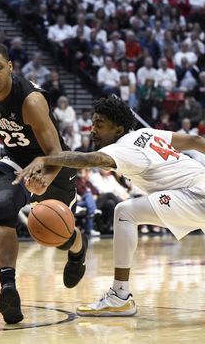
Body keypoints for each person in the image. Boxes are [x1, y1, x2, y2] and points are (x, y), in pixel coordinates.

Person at [14, 95, 205, 316]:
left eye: (100, 125)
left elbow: (87, 160)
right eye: (93, 124)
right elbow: (195, 141)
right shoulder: (147, 134)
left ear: (118, 128)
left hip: (195, 193)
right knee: (126, 212)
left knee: (125, 212)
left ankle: (119, 296)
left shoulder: (123, 148)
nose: (92, 130)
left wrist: (46, 159)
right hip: (196, 188)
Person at [0, 42, 87, 324]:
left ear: (10, 67)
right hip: (15, 161)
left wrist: (43, 178)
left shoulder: (30, 101)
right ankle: (8, 286)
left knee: (57, 234)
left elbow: (56, 153)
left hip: (53, 160)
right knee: (4, 206)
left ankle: (77, 249)